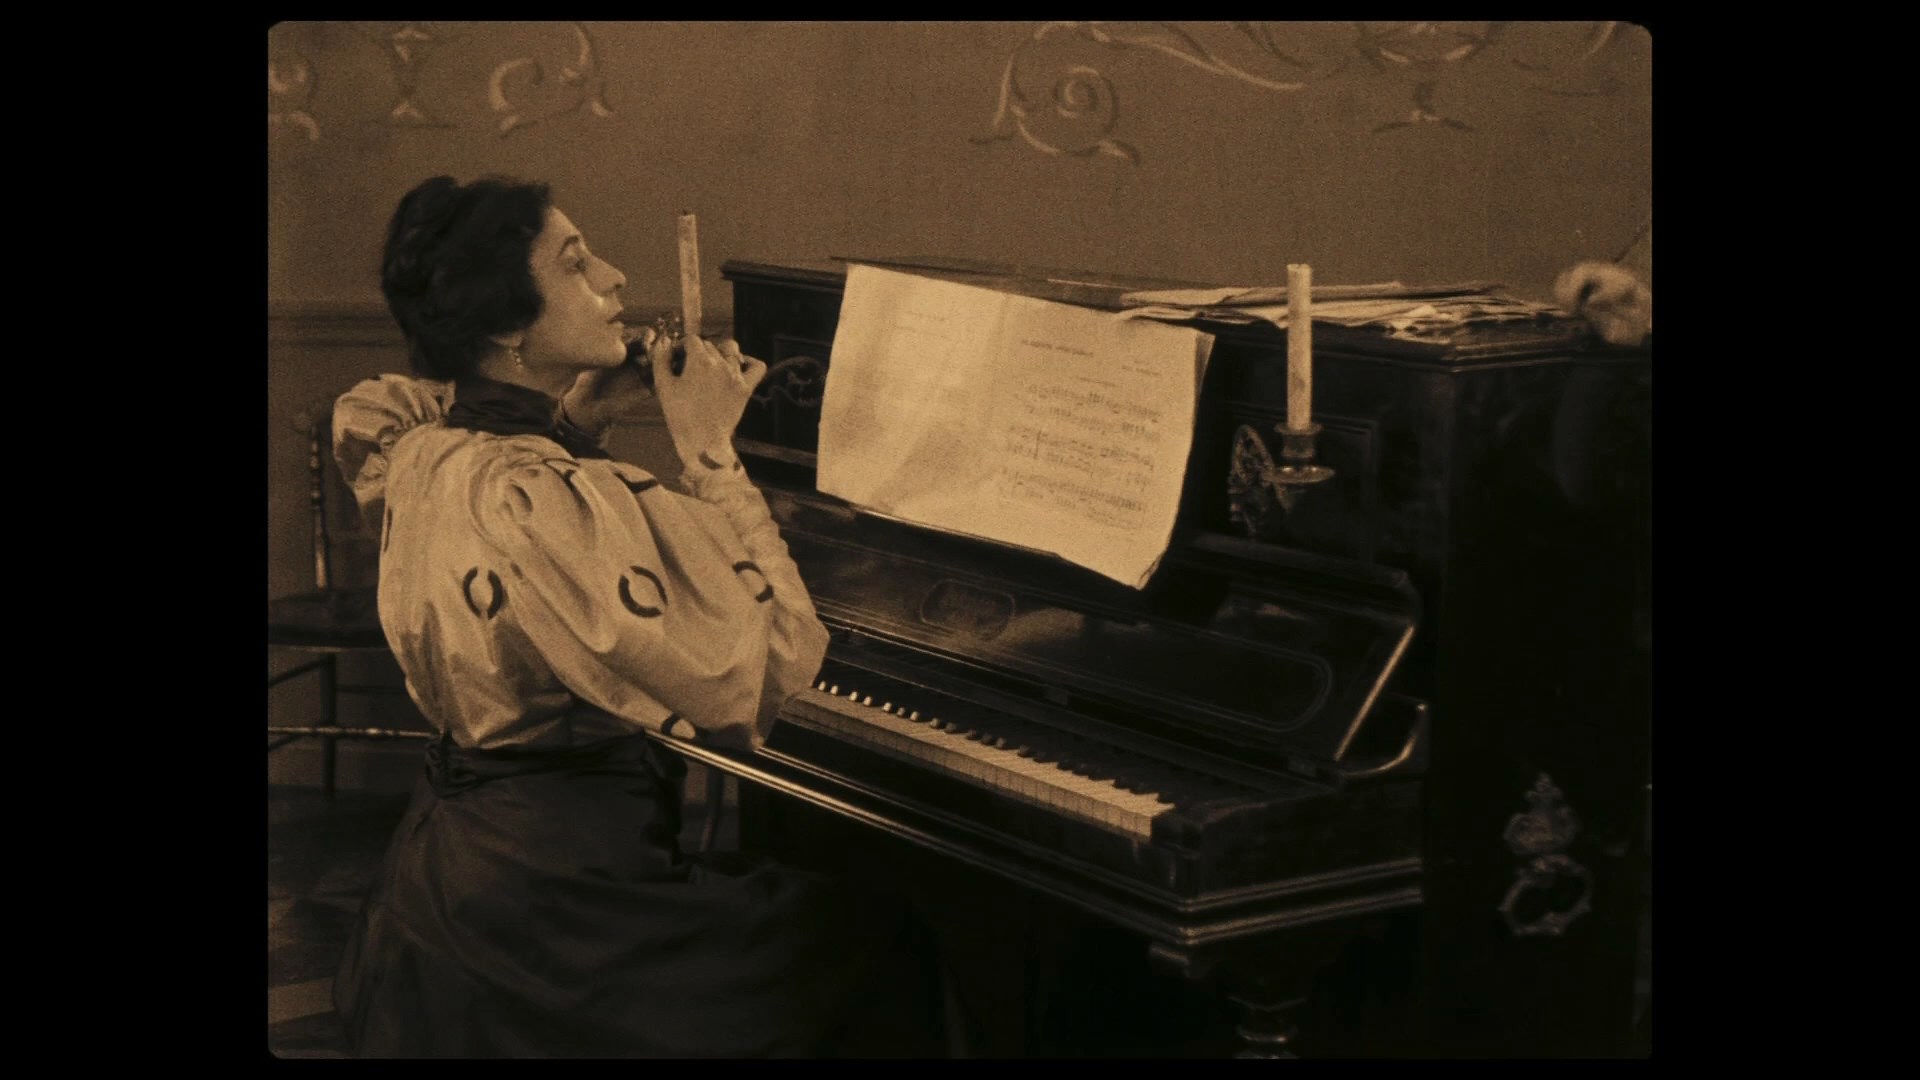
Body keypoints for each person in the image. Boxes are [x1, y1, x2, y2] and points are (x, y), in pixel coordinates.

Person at [328, 175, 927, 1057]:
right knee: (882, 946)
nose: (613, 278)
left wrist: (577, 417)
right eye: (576, 264)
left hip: (450, 883)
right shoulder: (552, 496)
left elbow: (521, 541)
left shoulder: (423, 447)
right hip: (562, 916)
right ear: (505, 325)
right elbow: (777, 664)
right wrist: (711, 451)